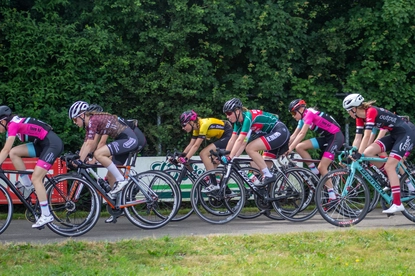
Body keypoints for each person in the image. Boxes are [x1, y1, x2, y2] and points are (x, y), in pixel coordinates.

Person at [343, 93, 415, 213]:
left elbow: (366, 136)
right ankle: (391, 178)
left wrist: (358, 154)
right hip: (394, 135)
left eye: (348, 110)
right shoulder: (359, 118)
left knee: (390, 166)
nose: (348, 113)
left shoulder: (370, 112)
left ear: (355, 108)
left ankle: (398, 203)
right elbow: (358, 137)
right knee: (368, 153)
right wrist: (354, 151)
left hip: (405, 133)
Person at [0, 105, 64, 228]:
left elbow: (5, 149)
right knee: (14, 152)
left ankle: (46, 214)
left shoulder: (12, 125)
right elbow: (8, 151)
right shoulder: (12, 125)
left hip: (52, 144)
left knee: (36, 178)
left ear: (2, 121)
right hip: (41, 143)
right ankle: (28, 187)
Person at [68, 101, 139, 199]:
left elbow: (91, 144)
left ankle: (121, 180)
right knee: (101, 159)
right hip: (124, 139)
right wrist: (79, 158)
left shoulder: (93, 120)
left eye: (75, 119)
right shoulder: (90, 124)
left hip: (128, 139)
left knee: (99, 154)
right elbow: (88, 144)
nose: (75, 123)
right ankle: (119, 201)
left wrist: (79, 161)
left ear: (83, 115)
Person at [220, 98, 290, 189]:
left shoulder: (248, 117)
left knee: (250, 148)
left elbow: (240, 140)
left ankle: (269, 175)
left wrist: (230, 157)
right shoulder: (238, 123)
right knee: (263, 168)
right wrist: (228, 155)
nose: (227, 116)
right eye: (226, 114)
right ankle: (270, 196)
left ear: (237, 111)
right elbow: (234, 140)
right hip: (271, 135)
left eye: (229, 113)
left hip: (279, 131)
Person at [286, 99, 344, 181]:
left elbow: (302, 134)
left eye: (293, 113)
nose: (293, 116)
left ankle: (332, 193)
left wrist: (290, 148)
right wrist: (284, 147)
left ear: (301, 110)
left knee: (322, 168)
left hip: (336, 137)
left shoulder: (309, 114)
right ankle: (315, 174)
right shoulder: (302, 119)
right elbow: (294, 136)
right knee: (299, 147)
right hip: (327, 138)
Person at [179, 110, 233, 191]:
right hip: (224, 136)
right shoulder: (196, 128)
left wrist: (186, 159)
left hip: (228, 135)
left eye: (184, 125)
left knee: (203, 154)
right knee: (212, 166)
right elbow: (191, 145)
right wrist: (181, 156)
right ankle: (226, 190)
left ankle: (214, 184)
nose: (183, 128)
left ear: (191, 121)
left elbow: (196, 146)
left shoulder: (203, 125)